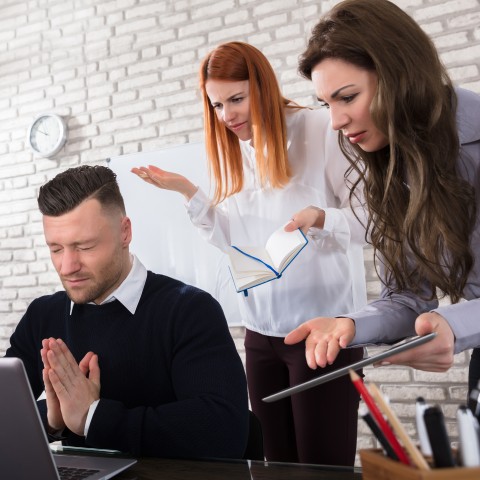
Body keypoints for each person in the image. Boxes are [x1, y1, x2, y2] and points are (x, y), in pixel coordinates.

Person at [131, 42, 368, 465]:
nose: (227, 116)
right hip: (260, 332)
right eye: (217, 105)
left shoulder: (319, 129)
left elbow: (369, 222)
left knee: (321, 466)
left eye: (236, 99)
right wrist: (188, 191)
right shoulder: (235, 149)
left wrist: (320, 218)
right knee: (271, 463)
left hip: (323, 330)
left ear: (262, 86)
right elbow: (231, 242)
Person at [284, 0, 480, 392]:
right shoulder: (392, 166)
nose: (336, 122)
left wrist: (456, 325)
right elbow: (407, 298)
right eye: (327, 104)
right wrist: (351, 325)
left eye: (347, 97)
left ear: (399, 76)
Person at [4, 165, 249, 458]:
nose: (67, 266)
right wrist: (50, 420)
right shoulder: (42, 315)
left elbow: (224, 430)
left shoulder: (189, 311)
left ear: (125, 232)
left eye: (84, 246)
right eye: (56, 249)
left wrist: (92, 417)